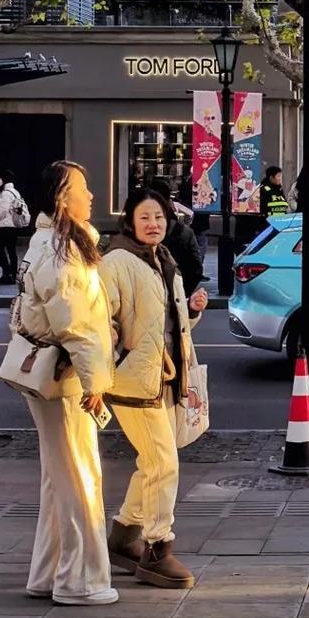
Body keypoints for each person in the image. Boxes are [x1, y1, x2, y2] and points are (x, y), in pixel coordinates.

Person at [12, 160, 117, 605]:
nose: (91, 196)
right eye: (83, 188)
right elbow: (77, 323)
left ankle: (49, 572)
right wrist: (95, 381)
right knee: (79, 475)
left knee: (59, 475)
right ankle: (80, 580)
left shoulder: (46, 243)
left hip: (52, 371)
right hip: (68, 374)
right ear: (62, 198)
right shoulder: (62, 250)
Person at [100, 186, 207, 589]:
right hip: (134, 381)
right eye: (145, 217)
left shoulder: (164, 260)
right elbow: (102, 321)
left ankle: (124, 534)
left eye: (160, 217)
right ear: (129, 220)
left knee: (152, 462)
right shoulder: (117, 263)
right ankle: (157, 546)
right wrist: (110, 360)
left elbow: (167, 325)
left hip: (163, 375)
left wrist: (191, 312)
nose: (153, 224)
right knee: (164, 464)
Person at [147, 177, 205, 295]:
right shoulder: (183, 232)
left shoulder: (139, 230)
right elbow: (196, 268)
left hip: (151, 293)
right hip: (175, 292)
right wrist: (182, 294)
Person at [0, 172, 30, 284]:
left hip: (4, 226)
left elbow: (3, 210)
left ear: (3, 180)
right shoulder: (15, 192)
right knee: (12, 251)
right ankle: (13, 274)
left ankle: (7, 273)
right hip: (13, 226)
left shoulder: (6, 194)